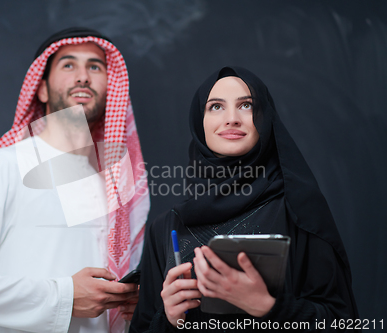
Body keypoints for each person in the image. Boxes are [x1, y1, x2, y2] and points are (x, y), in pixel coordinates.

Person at [0, 27, 150, 333]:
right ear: (42, 89)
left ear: (111, 89)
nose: (83, 76)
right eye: (68, 64)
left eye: (95, 67)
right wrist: (65, 296)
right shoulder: (5, 166)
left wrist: (132, 303)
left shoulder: (115, 189)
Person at [130, 67, 359, 332]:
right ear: (198, 122)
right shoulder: (166, 227)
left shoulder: (298, 211)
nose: (231, 119)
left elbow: (345, 323)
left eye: (246, 106)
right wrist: (168, 319)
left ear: (265, 119)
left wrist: (269, 307)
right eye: (215, 107)